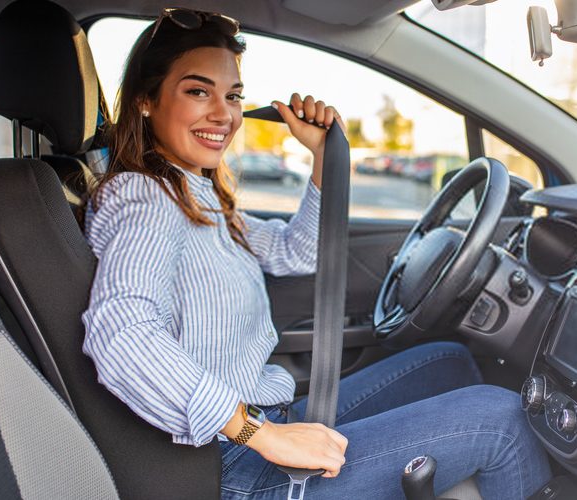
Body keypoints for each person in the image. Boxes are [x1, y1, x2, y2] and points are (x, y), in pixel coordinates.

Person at [81, 8, 551, 499]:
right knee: (502, 421)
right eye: (198, 91)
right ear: (145, 101)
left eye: (234, 96)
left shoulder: (197, 195)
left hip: (267, 420)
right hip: (231, 465)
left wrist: (324, 157)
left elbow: (295, 253)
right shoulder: (142, 199)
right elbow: (122, 333)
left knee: (448, 361)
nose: (224, 114)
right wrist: (259, 434)